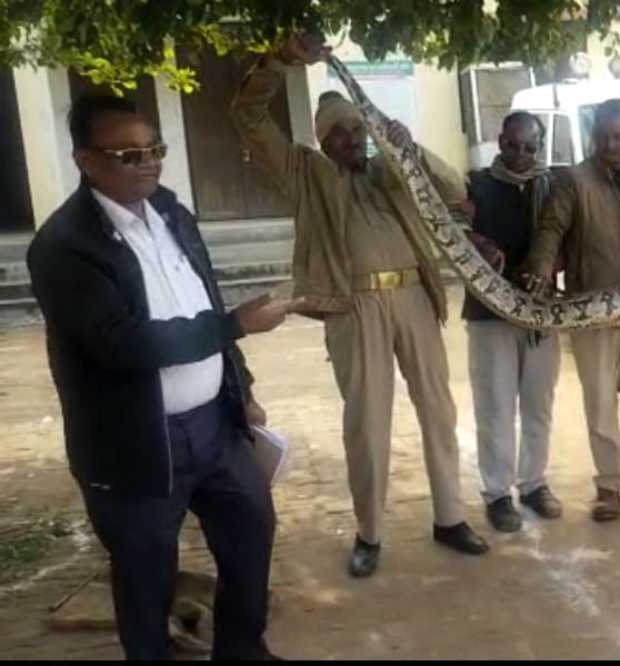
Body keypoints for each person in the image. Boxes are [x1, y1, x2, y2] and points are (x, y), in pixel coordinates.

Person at [26, 94, 294, 659]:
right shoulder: (63, 247)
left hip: (216, 430)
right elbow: (122, 344)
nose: (147, 162)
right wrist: (234, 327)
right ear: (85, 160)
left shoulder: (172, 212)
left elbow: (203, 294)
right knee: (147, 578)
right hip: (135, 445)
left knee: (250, 537)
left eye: (155, 149)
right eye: (128, 154)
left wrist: (240, 390)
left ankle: (243, 651)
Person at [230, 34, 488, 578]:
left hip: (416, 298)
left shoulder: (392, 171)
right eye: (341, 133)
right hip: (355, 307)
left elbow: (453, 190)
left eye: (358, 129)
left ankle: (450, 518)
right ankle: (369, 532)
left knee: (439, 412)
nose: (353, 139)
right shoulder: (305, 175)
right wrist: (277, 62)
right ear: (323, 142)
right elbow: (248, 115)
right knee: (368, 425)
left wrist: (409, 147)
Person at [522, 98, 620, 522]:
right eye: (604, 136)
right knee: (599, 405)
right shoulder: (573, 181)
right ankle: (609, 486)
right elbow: (552, 229)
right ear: (593, 136)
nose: (612, 144)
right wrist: (539, 270)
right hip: (592, 314)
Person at [463, 112, 563, 531]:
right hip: (489, 314)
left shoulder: (555, 186)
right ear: (500, 141)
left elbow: (568, 237)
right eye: (513, 145)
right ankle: (498, 493)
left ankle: (534, 483)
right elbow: (454, 230)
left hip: (540, 312)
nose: (521, 155)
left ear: (539, 147)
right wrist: (478, 241)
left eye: (530, 147)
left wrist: (551, 266)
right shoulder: (476, 184)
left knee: (538, 405)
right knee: (496, 407)